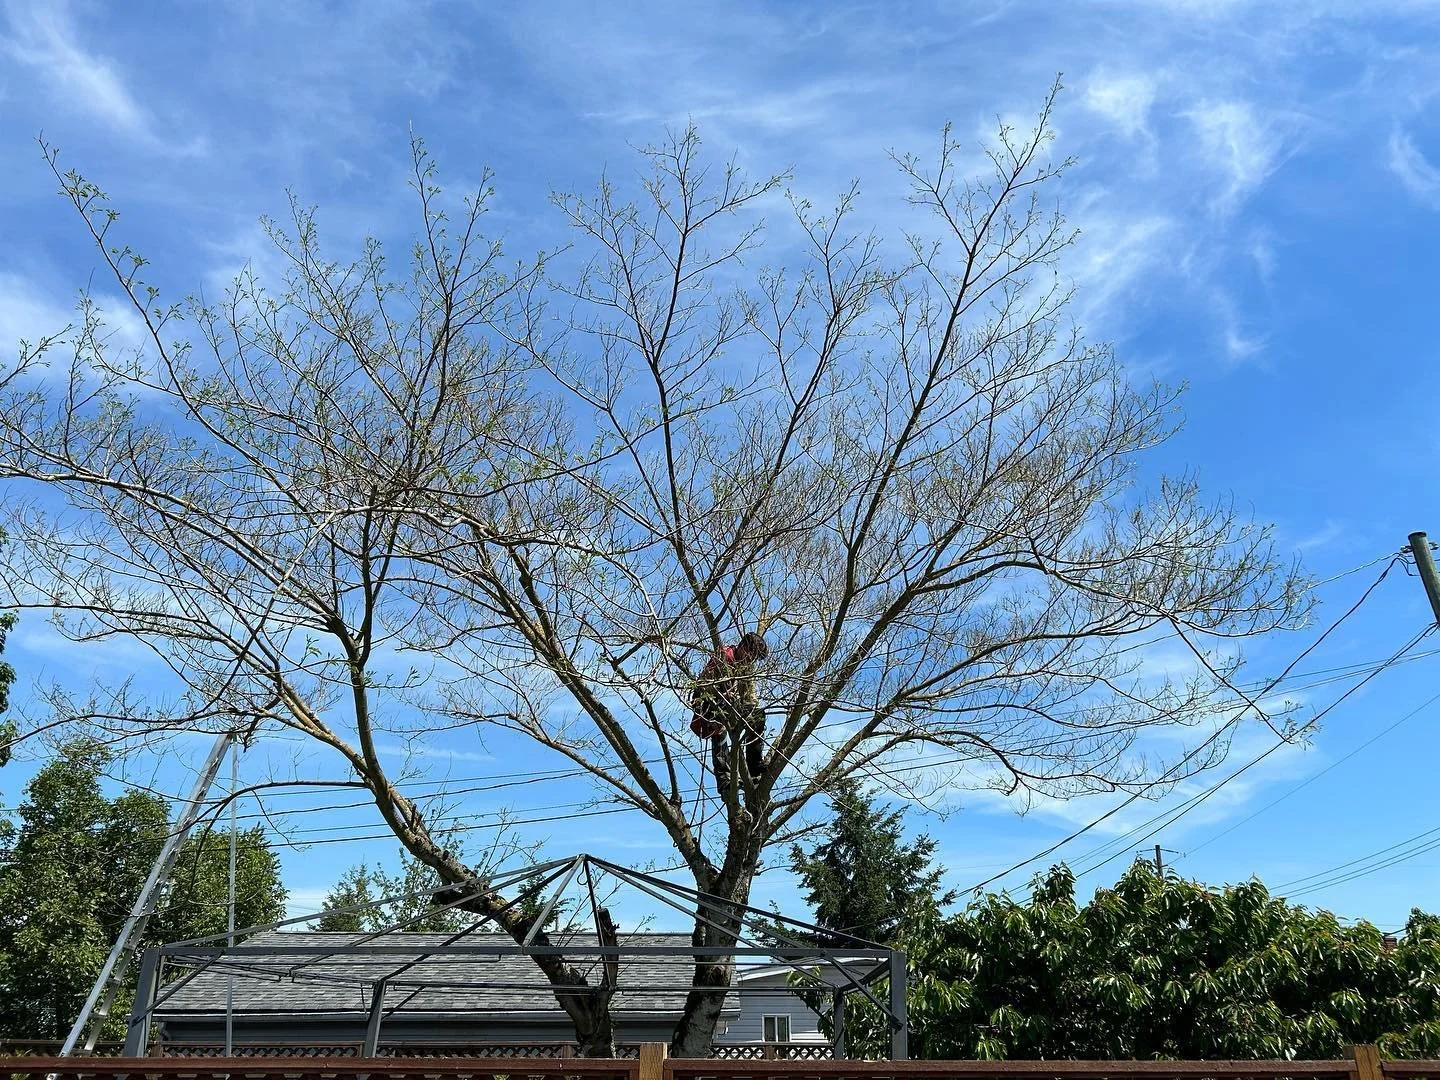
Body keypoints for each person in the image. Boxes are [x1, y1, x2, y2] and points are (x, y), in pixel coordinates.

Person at [689, 631, 769, 793]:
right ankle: (724, 779)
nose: (752, 659)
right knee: (720, 733)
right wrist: (723, 695)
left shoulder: (746, 668)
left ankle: (753, 763)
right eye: (751, 654)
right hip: (709, 703)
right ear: (744, 647)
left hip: (732, 704)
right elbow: (704, 685)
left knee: (758, 715)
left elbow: (750, 696)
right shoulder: (724, 656)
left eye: (755, 657)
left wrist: (751, 713)